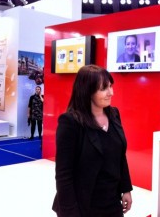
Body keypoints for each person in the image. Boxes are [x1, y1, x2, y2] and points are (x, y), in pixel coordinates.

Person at [52, 64, 133, 217]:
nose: (111, 92)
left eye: (110, 86)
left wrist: (126, 188)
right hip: (83, 204)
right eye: (104, 88)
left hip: (111, 201)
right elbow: (63, 174)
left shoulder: (114, 114)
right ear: (87, 91)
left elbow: (120, 156)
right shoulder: (70, 122)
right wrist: (70, 213)